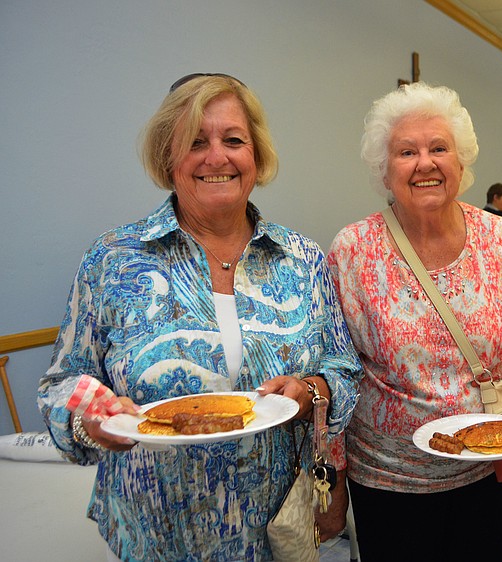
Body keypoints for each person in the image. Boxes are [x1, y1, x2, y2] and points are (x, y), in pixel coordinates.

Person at [37, 73, 362, 562]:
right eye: (195, 142)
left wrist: (311, 389)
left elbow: (344, 369)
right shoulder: (114, 260)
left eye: (233, 140)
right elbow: (61, 383)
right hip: (157, 533)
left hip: (275, 534)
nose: (217, 157)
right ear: (168, 159)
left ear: (256, 155)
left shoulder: (303, 259)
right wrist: (91, 419)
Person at [327, 82, 502, 562]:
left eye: (439, 148)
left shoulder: (501, 239)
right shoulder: (353, 251)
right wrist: (334, 483)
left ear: (461, 162)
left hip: (486, 470)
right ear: (384, 169)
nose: (425, 163)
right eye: (406, 151)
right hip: (389, 482)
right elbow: (336, 371)